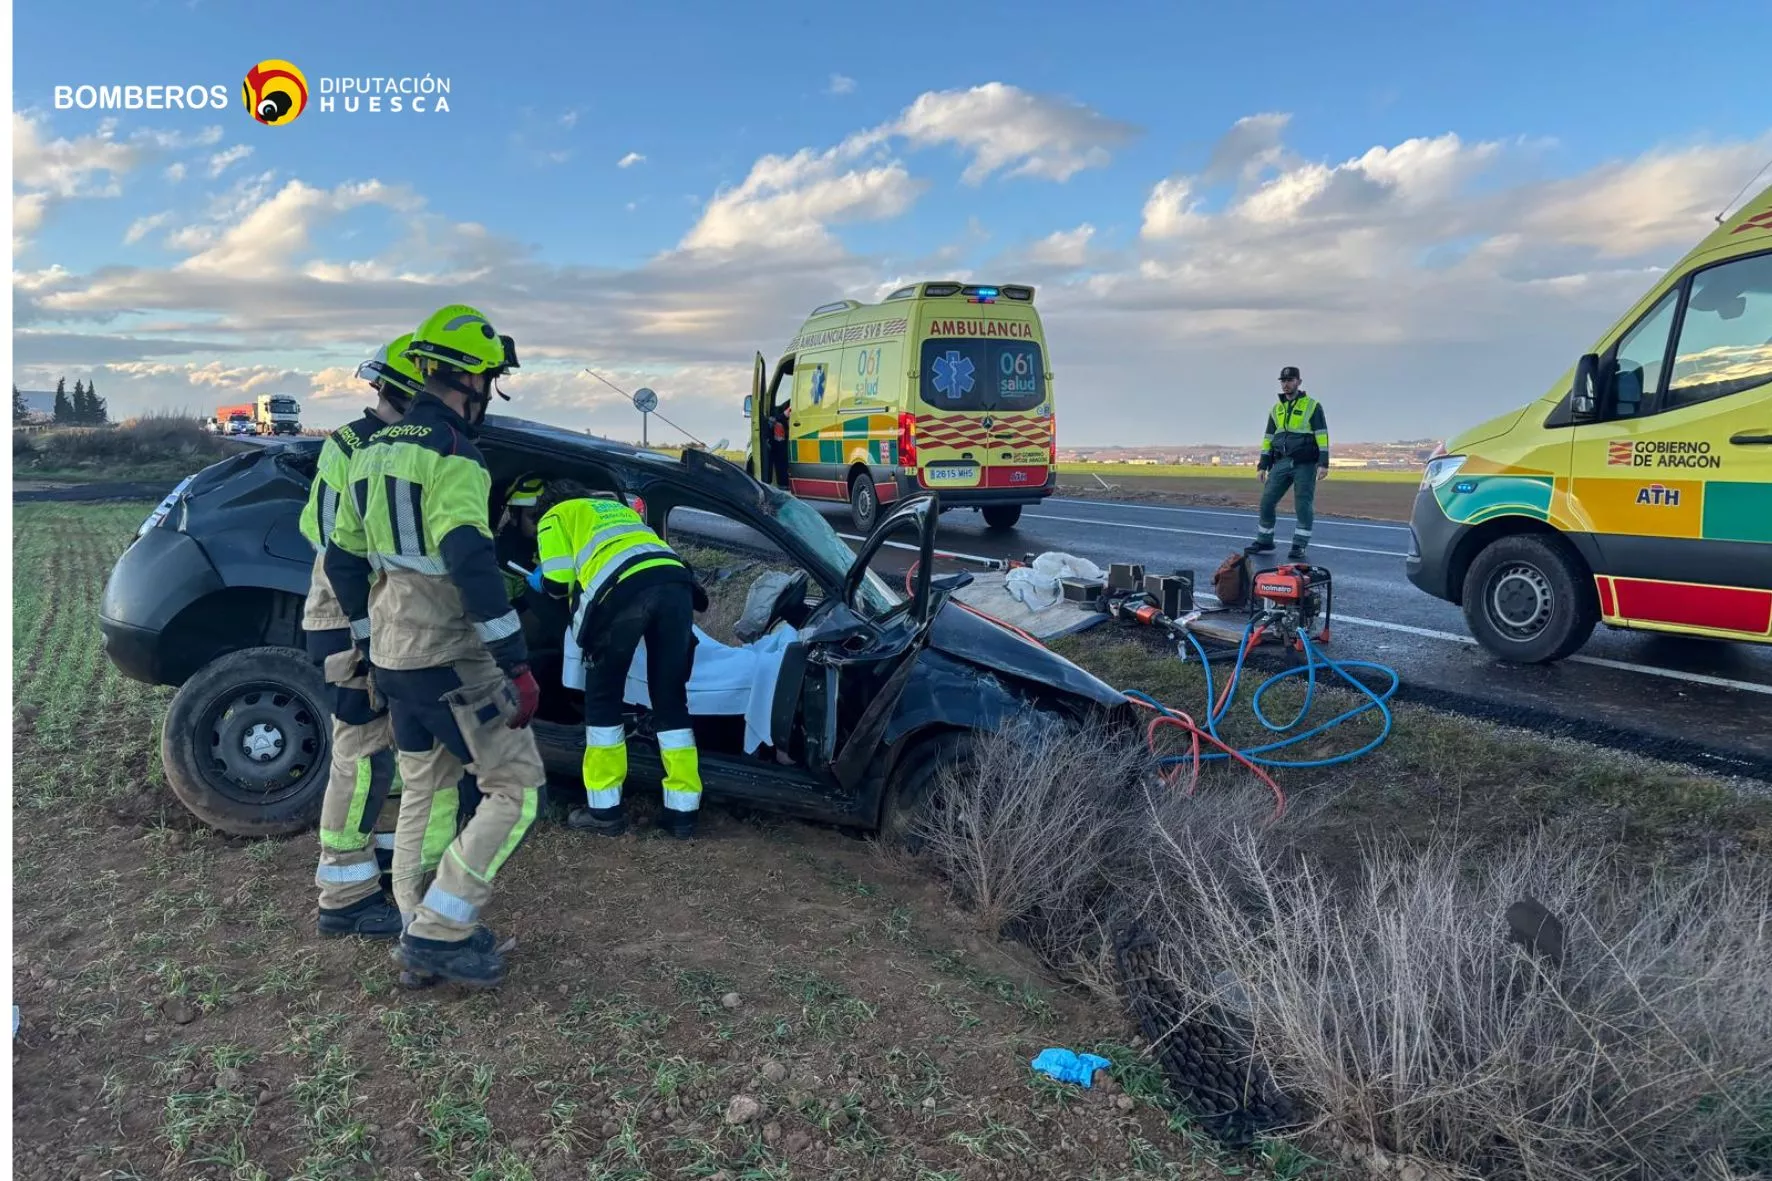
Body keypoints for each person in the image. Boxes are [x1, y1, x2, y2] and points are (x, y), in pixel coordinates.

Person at [324, 303, 543, 989]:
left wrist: (365, 640)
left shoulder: (372, 449)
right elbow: (469, 557)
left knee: (427, 783)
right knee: (517, 789)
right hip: (452, 654)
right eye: (489, 382)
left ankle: (416, 924)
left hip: (394, 656)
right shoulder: (455, 456)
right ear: (472, 381)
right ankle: (443, 931)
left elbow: (341, 560)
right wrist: (516, 662)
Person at [306, 335, 422, 939]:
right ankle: (344, 895)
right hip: (348, 620)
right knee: (358, 752)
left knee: (384, 752)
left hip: (371, 620)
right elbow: (339, 545)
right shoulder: (358, 447)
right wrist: (366, 627)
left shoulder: (365, 445)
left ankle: (374, 860)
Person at [533, 493, 705, 839]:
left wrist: (538, 579)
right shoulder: (616, 510)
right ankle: (682, 813)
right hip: (675, 581)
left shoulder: (555, 514)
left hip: (623, 591)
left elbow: (556, 582)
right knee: (670, 698)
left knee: (603, 699)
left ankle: (604, 811)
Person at [1249, 365, 1330, 561]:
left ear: (1299, 382)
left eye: (1290, 380)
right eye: (1283, 381)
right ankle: (1265, 540)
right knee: (1267, 501)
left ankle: (1299, 546)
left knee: (1303, 504)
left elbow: (1322, 435)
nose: (1286, 384)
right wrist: (1263, 465)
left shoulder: (1312, 406)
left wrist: (1323, 463)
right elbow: (1268, 438)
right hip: (1282, 462)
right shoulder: (1276, 409)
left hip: (1305, 463)